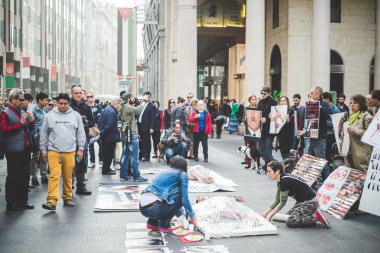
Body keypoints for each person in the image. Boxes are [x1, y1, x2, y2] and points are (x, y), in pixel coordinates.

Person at [40, 93, 86, 210]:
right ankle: (51, 200)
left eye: (65, 103)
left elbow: (81, 133)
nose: (62, 106)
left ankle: (67, 197)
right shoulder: (49, 116)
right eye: (60, 103)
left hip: (70, 151)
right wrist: (43, 150)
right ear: (57, 103)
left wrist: (81, 149)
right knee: (54, 176)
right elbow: (43, 134)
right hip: (54, 150)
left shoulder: (75, 116)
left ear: (68, 103)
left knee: (68, 176)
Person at [262, 161, 330, 228]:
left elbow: (282, 202)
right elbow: (277, 200)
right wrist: (266, 213)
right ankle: (309, 213)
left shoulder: (285, 181)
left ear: (277, 171)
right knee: (286, 216)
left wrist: (270, 215)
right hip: (301, 202)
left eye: (269, 171)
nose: (267, 174)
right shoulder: (280, 181)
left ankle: (315, 218)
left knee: (291, 221)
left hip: (310, 202)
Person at [139, 156, 197, 232]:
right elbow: (184, 199)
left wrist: (185, 214)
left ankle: (152, 223)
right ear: (184, 166)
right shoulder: (182, 174)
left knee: (168, 197)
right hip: (154, 208)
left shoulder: (165, 172)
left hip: (143, 208)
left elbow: (171, 201)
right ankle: (164, 225)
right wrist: (192, 215)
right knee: (180, 195)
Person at [1, 88, 35, 211]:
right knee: (13, 176)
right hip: (13, 150)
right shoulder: (5, 113)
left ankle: (23, 201)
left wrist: (31, 121)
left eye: (23, 99)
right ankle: (11, 202)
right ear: (13, 99)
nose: (23, 102)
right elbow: (5, 131)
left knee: (25, 176)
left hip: (25, 148)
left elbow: (28, 129)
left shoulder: (21, 111)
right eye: (20, 99)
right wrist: (20, 123)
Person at [298, 86, 329, 181]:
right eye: (309, 93)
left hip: (319, 138)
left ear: (317, 95)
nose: (309, 95)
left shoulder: (323, 104)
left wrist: (316, 106)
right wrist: (303, 131)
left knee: (320, 160)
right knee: (309, 159)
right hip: (308, 136)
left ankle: (326, 180)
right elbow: (305, 120)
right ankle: (310, 181)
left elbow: (325, 116)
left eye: (311, 93)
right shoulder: (307, 105)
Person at [70, 84, 94, 195]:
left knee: (82, 163)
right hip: (69, 140)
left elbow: (92, 122)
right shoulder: (68, 106)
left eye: (80, 93)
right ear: (72, 93)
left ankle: (81, 186)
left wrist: (85, 124)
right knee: (70, 164)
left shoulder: (86, 107)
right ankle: (68, 188)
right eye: (76, 93)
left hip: (83, 138)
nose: (79, 95)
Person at [119, 93, 148, 182]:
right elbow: (138, 110)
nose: (133, 99)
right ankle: (136, 176)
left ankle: (123, 175)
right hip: (131, 134)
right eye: (131, 97)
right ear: (128, 98)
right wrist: (144, 101)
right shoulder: (127, 107)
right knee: (134, 156)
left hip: (127, 133)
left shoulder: (124, 106)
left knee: (126, 154)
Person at [345, 94, 373, 172]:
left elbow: (370, 135)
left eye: (355, 103)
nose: (352, 105)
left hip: (361, 151)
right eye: (351, 103)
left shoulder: (367, 117)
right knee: (353, 174)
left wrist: (355, 131)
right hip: (350, 150)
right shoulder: (351, 116)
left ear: (360, 104)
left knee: (363, 173)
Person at [99, 98, 122, 175]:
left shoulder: (107, 109)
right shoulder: (112, 112)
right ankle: (106, 170)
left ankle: (107, 168)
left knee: (107, 154)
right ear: (116, 104)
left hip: (107, 136)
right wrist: (103, 132)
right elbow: (110, 125)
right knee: (109, 154)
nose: (120, 107)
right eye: (120, 105)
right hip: (110, 137)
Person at [30, 92, 49, 186]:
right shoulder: (33, 110)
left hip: (44, 138)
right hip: (36, 138)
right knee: (36, 157)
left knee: (44, 156)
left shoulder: (45, 110)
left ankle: (44, 176)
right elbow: (30, 125)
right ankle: (33, 177)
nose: (47, 101)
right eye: (45, 100)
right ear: (40, 100)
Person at [257, 86, 278, 173]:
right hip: (261, 128)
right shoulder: (260, 102)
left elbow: (275, 115)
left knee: (268, 147)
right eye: (261, 93)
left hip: (270, 128)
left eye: (264, 93)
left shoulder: (273, 102)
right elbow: (258, 113)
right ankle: (274, 163)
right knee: (260, 148)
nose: (262, 95)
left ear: (269, 93)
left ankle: (267, 166)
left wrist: (267, 119)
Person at [322, 92, 341, 164]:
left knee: (327, 152)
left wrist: (324, 121)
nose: (322, 101)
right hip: (326, 132)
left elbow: (337, 124)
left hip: (330, 134)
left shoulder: (335, 109)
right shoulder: (326, 107)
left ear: (327, 99)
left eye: (323, 99)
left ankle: (330, 166)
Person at [86, 91, 103, 168]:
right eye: (88, 97)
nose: (89, 98)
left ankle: (101, 160)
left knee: (101, 145)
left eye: (91, 96)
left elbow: (101, 117)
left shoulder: (98, 106)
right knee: (91, 146)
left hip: (98, 129)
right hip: (89, 129)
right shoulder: (85, 107)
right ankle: (92, 161)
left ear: (93, 97)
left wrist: (98, 125)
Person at [138, 91, 156, 162]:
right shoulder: (142, 104)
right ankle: (141, 154)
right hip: (140, 125)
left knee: (147, 141)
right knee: (141, 141)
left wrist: (151, 127)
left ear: (150, 97)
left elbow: (153, 118)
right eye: (145, 96)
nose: (146, 97)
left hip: (147, 126)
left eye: (147, 96)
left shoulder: (152, 106)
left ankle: (147, 156)